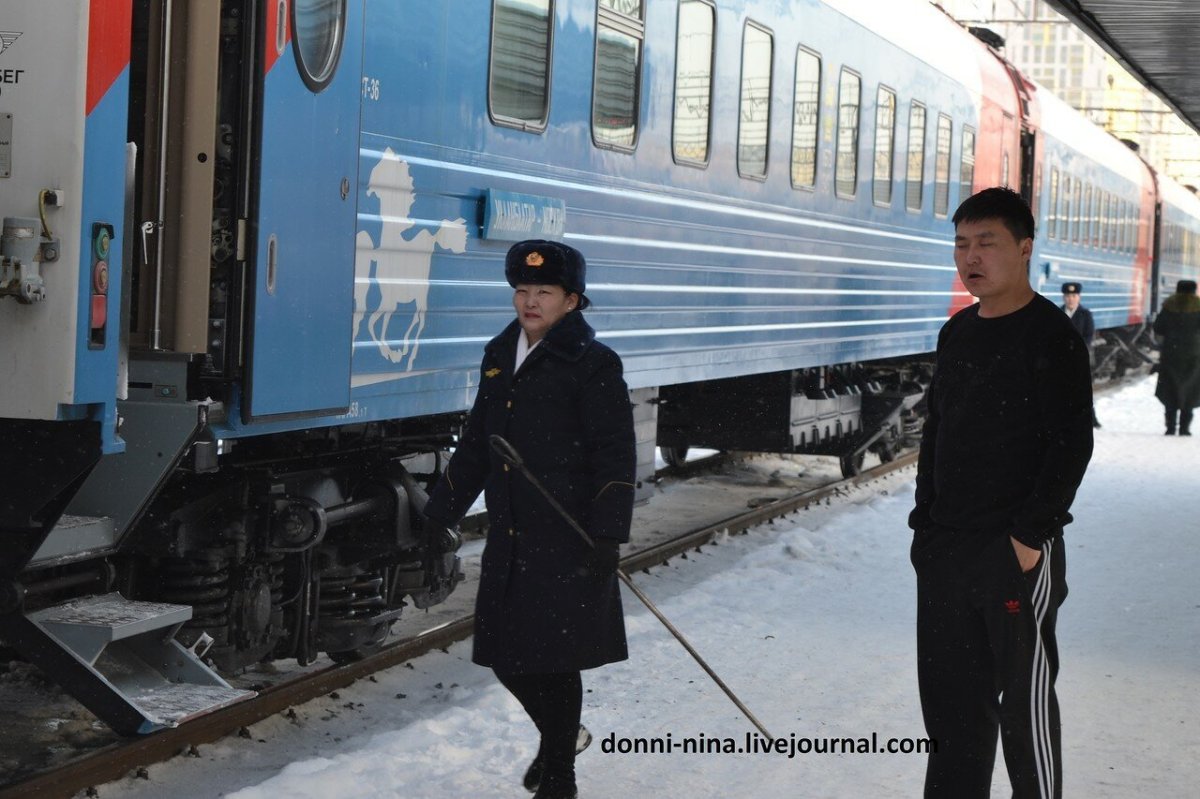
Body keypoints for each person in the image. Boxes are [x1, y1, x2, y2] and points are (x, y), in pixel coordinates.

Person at [423, 239, 636, 799]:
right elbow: (476, 443)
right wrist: (439, 509)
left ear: (572, 301)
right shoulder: (499, 356)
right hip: (512, 531)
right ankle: (562, 737)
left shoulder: (594, 364)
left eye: (544, 292)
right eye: (522, 290)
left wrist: (609, 533)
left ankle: (560, 776)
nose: (530, 301)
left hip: (568, 533)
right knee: (505, 655)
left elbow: (614, 453)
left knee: (554, 656)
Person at [908, 188, 1094, 798]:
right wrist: (924, 526)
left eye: (987, 243)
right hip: (947, 552)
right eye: (961, 245)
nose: (971, 257)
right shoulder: (957, 331)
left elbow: (1071, 445)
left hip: (1013, 554)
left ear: (1024, 249)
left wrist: (1028, 536)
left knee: (1025, 708)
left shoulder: (1052, 336)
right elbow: (937, 432)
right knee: (953, 714)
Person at [1152, 279, 1200, 435]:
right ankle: (1185, 429)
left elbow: (1158, 327)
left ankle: (1170, 427)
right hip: (1194, 355)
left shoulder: (1168, 306)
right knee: (1190, 392)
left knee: (1170, 391)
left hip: (1170, 355)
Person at [1060, 282, 1100, 427]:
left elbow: (1089, 336)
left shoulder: (1085, 315)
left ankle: (1091, 420)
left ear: (1079, 297)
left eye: (1074, 296)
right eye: (1068, 296)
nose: (1071, 299)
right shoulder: (1057, 313)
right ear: (1064, 297)